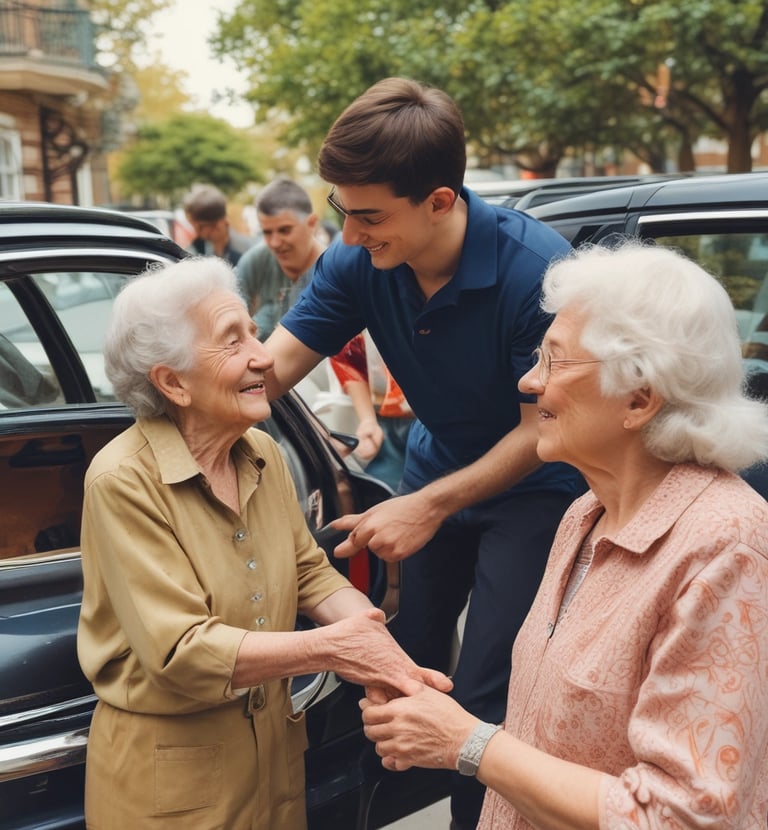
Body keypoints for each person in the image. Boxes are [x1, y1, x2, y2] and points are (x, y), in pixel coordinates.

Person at [264, 77, 585, 827]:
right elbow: (270, 369)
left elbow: (542, 432)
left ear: (440, 201)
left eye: (370, 215)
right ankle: (393, 798)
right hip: (434, 469)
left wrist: (429, 505)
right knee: (401, 664)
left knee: (485, 686)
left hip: (536, 487)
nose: (348, 235)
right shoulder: (355, 263)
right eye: (342, 209)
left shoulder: (535, 269)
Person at [360, 241, 768, 830]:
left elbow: (683, 816)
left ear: (639, 397)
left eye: (553, 361)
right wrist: (435, 724)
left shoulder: (725, 546)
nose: (528, 382)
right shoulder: (585, 513)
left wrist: (469, 743)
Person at [75, 257, 451, 829]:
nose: (264, 355)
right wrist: (336, 650)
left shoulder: (261, 452)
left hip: (274, 759)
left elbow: (309, 574)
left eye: (254, 330)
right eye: (233, 341)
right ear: (172, 382)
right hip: (171, 786)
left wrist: (388, 665)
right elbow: (182, 652)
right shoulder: (123, 479)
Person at [330, 331, 414, 491]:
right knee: (379, 493)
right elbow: (348, 358)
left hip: (445, 420)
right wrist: (368, 420)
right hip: (387, 424)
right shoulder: (357, 310)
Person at [182, 183, 254, 266]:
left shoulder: (246, 253)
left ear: (218, 224)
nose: (194, 229)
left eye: (198, 226)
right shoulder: (195, 249)